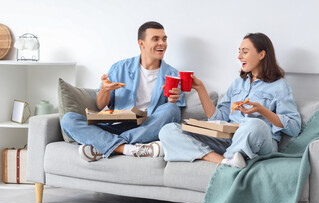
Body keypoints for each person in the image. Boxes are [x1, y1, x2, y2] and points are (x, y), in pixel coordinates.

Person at [158, 33, 301, 168]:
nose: (239, 56)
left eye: (244, 52)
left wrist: (262, 111)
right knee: (168, 130)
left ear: (261, 54)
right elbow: (217, 118)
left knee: (254, 124)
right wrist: (200, 89)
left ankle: (231, 156)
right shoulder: (237, 84)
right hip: (228, 139)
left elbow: (294, 127)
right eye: (239, 51)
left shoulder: (279, 86)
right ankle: (226, 161)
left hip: (260, 141)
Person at [61, 21, 185, 162]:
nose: (162, 43)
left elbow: (172, 117)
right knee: (68, 120)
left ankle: (103, 146)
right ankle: (126, 148)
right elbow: (101, 105)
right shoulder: (120, 68)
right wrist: (104, 90)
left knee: (172, 110)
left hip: (146, 128)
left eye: (164, 39)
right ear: (141, 43)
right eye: (155, 39)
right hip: (114, 126)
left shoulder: (173, 75)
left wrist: (172, 100)